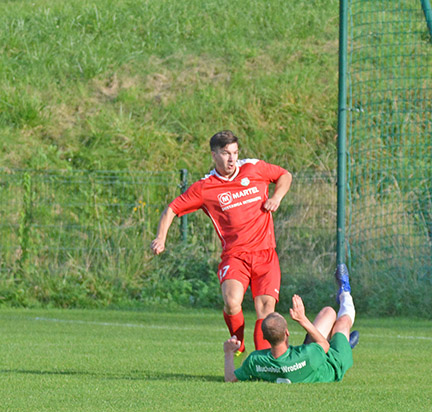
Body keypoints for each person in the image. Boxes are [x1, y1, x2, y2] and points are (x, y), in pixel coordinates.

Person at [151, 130, 292, 354]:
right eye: (226, 153)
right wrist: (161, 237)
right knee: (231, 301)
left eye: (235, 152)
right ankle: (237, 344)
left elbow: (284, 175)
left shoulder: (253, 168)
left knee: (265, 310)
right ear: (214, 155)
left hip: (265, 253)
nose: (231, 159)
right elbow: (172, 209)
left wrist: (277, 197)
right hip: (235, 256)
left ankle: (262, 360)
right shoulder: (205, 188)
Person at [223, 265, 358, 383]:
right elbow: (325, 345)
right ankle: (345, 292)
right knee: (342, 322)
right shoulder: (308, 354)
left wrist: (228, 352)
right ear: (287, 333)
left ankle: (343, 340)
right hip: (332, 363)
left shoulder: (256, 360)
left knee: (328, 312)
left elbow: (230, 379)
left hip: (312, 358)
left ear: (264, 337)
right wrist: (302, 319)